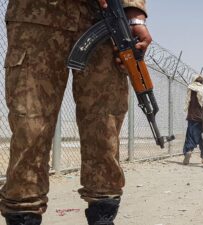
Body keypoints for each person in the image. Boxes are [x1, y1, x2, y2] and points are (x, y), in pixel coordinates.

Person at [0, 1, 152, 224]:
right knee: (30, 127)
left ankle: (103, 216)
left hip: (103, 18)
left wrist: (135, 14)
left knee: (105, 127)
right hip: (38, 15)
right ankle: (24, 215)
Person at [182, 75, 203, 165]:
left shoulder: (191, 88)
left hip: (191, 116)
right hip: (202, 117)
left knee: (190, 135)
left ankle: (188, 150)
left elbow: (187, 101)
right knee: (201, 137)